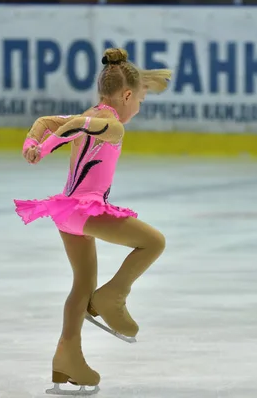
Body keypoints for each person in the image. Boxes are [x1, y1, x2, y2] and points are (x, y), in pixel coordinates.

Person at [14, 48, 171, 394]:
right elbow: (71, 127)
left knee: (82, 284)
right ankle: (113, 296)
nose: (139, 108)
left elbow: (49, 122)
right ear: (127, 95)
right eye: (141, 101)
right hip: (85, 211)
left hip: (65, 213)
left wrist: (33, 142)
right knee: (154, 242)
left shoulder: (92, 114)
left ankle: (66, 358)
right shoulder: (113, 125)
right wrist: (48, 147)